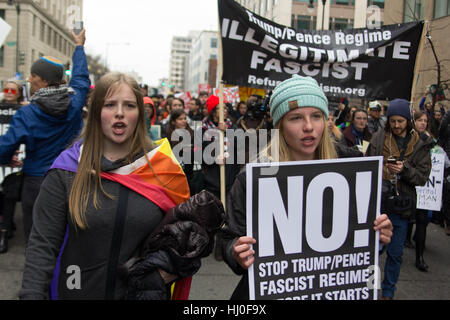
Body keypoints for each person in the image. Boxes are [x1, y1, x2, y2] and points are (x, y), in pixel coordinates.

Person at [18, 72, 209, 300]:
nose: (120, 112)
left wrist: (165, 270)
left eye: (129, 105)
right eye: (110, 104)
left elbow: (185, 243)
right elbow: (42, 246)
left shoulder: (164, 171)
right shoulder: (66, 171)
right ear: (96, 111)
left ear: (140, 114)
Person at [219, 75, 393, 300]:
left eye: (316, 116)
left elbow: (360, 240)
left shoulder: (351, 166)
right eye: (296, 118)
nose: (309, 127)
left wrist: (378, 235)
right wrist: (236, 252)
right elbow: (227, 238)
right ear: (280, 124)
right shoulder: (254, 176)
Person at [0, 29, 90, 244]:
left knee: (37, 240)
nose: (29, 79)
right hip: (72, 180)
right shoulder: (74, 102)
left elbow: (4, 149)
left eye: (34, 76)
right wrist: (79, 47)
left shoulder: (27, 114)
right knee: (66, 239)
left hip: (37, 183)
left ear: (45, 81)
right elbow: (81, 79)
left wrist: (6, 159)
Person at [366, 99, 433, 300]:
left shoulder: (420, 144)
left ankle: (388, 293)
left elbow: (422, 177)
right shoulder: (379, 138)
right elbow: (368, 164)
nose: (396, 125)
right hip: (378, 203)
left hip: (402, 207)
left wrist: (404, 170)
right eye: (393, 121)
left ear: (408, 121)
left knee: (395, 255)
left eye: (400, 121)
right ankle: (367, 290)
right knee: (372, 254)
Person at [437, 110, 450, 235]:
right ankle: (448, 221)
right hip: (448, 162)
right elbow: (441, 133)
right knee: (447, 192)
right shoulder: (447, 120)